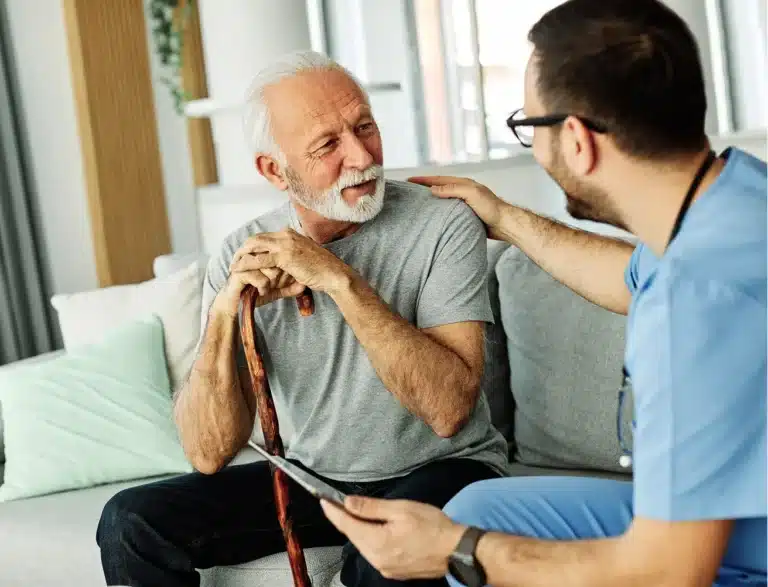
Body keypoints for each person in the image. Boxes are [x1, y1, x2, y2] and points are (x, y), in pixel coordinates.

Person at [320, 1, 767, 586]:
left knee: (472, 541)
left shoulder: (696, 305)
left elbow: (667, 574)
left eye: (529, 127)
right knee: (481, 510)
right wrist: (503, 218)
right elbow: (634, 276)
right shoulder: (736, 198)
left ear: (578, 140)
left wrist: (461, 552)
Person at [95, 50, 510, 587]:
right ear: (274, 170)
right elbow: (207, 452)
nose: (362, 156)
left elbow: (449, 410)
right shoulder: (240, 251)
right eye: (328, 145)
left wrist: (338, 280)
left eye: (365, 127)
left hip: (447, 469)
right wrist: (225, 311)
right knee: (131, 522)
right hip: (314, 479)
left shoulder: (443, 224)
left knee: (379, 566)